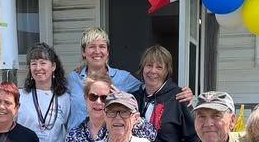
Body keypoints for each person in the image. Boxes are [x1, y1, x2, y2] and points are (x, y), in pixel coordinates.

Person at [65, 27, 193, 130]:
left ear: (108, 51)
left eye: (102, 46)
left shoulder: (123, 78)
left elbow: (151, 85)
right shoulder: (72, 79)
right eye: (92, 46)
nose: (97, 51)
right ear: (83, 52)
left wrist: (182, 93)